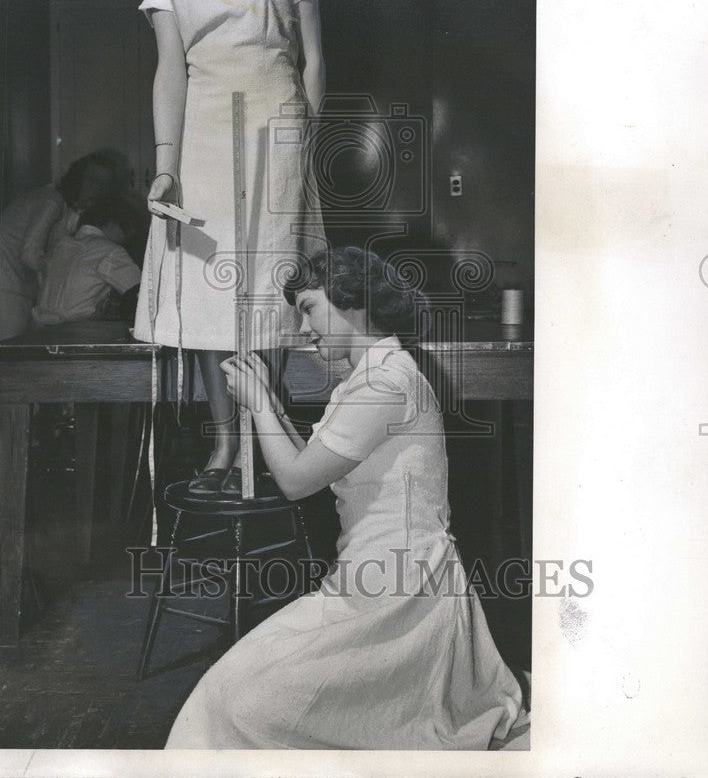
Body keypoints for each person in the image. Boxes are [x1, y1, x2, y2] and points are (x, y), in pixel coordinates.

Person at [164, 248, 530, 750]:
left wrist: (258, 407)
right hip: (370, 584)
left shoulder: (384, 384)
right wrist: (268, 402)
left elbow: (296, 481)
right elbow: (313, 460)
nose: (303, 327)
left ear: (352, 304)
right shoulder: (370, 377)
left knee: (236, 702)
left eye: (309, 308)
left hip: (399, 598)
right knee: (230, 693)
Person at [132, 0, 328, 495]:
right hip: (204, 139)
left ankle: (261, 433)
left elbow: (312, 59)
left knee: (271, 289)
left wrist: (305, 138)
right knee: (215, 297)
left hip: (277, 127)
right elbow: (169, 72)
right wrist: (166, 162)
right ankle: (224, 439)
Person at [0, 152, 117, 412]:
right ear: (77, 178)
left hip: (11, 288)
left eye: (104, 184)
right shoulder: (51, 201)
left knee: (7, 375)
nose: (97, 190)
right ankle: (0, 441)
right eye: (92, 180)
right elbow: (30, 254)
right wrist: (61, 269)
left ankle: (11, 435)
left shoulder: (65, 208)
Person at [32, 198, 142, 326]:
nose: (124, 240)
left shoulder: (61, 246)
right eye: (126, 233)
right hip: (79, 331)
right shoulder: (110, 251)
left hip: (41, 330)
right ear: (112, 224)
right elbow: (141, 292)